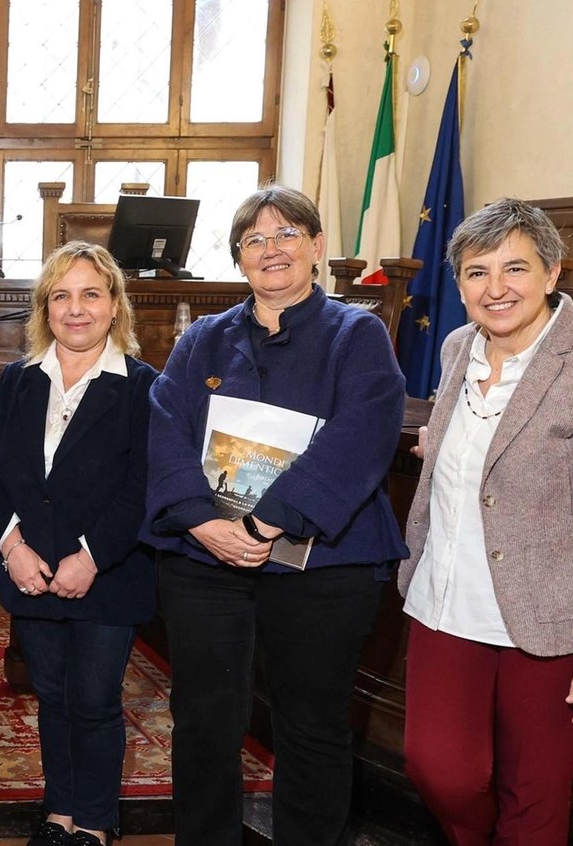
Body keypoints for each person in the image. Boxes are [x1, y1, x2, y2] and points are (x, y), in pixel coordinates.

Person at [399, 199, 573, 845]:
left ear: (552, 272)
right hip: (446, 605)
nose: (495, 289)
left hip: (552, 623)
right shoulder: (457, 347)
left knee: (536, 795)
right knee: (438, 769)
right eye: (475, 272)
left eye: (514, 268)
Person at [143, 183, 409, 845]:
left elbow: (362, 437)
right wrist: (201, 521)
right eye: (256, 239)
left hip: (324, 564)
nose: (272, 249)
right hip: (205, 564)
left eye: (287, 233)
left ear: (317, 247)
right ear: (239, 258)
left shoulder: (358, 334)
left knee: (311, 727)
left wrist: (266, 523)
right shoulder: (203, 338)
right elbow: (166, 427)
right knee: (203, 721)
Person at [0, 241, 158, 846]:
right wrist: (12, 548)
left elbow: (142, 488)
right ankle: (60, 814)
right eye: (61, 297)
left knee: (96, 701)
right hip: (29, 573)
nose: (76, 310)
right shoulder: (20, 381)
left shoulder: (142, 387)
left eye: (90, 295)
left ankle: (97, 822)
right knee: (52, 698)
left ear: (113, 306)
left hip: (107, 575)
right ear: (44, 309)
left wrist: (92, 558)